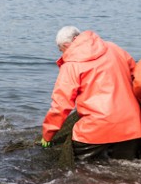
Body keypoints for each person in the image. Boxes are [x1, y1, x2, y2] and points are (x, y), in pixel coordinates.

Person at [40, 26, 141, 160]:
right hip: (132, 127)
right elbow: (136, 76)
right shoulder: (114, 48)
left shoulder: (71, 65)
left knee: (79, 168)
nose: (62, 54)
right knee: (125, 168)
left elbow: (60, 105)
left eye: (61, 50)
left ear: (66, 45)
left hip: (95, 130)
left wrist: (48, 134)